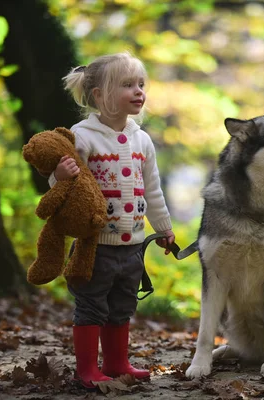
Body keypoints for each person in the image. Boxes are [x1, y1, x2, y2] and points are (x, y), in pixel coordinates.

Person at [50, 52, 175, 388]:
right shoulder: (82, 135)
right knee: (91, 304)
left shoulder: (142, 140)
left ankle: (118, 362)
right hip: (95, 245)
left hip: (133, 245)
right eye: (127, 85)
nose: (138, 91)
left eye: (141, 84)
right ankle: (88, 369)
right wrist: (59, 175)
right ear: (99, 95)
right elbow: (62, 188)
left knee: (122, 304)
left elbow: (153, 191)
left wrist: (163, 230)